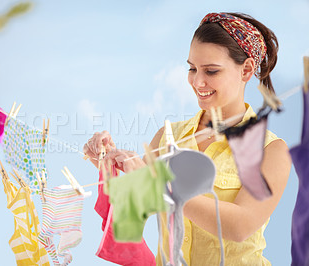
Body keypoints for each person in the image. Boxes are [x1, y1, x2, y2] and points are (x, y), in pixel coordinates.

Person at [83, 12, 291, 265]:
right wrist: (108, 164)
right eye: (192, 68)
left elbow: (240, 226)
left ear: (246, 69)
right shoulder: (169, 136)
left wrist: (159, 184)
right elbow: (140, 204)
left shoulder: (271, 150)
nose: (197, 81)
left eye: (211, 71)